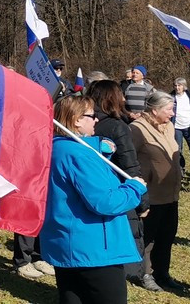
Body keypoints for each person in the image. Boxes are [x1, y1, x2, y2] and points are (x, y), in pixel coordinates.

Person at [41, 95, 147, 304]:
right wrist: (135, 188)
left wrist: (99, 153)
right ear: (77, 120)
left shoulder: (57, 148)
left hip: (68, 244)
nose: (97, 120)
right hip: (94, 250)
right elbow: (104, 201)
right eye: (92, 115)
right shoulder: (79, 155)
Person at [85, 80, 146, 287]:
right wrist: (142, 200)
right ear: (112, 98)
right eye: (120, 94)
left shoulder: (85, 122)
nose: (123, 99)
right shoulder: (116, 126)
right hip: (118, 191)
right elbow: (130, 165)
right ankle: (128, 274)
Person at [130, 90, 183, 291]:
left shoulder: (169, 126)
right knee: (149, 237)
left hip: (171, 193)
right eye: (169, 109)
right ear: (154, 110)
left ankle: (162, 273)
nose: (172, 113)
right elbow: (128, 160)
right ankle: (145, 274)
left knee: (167, 235)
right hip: (151, 195)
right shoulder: (136, 129)